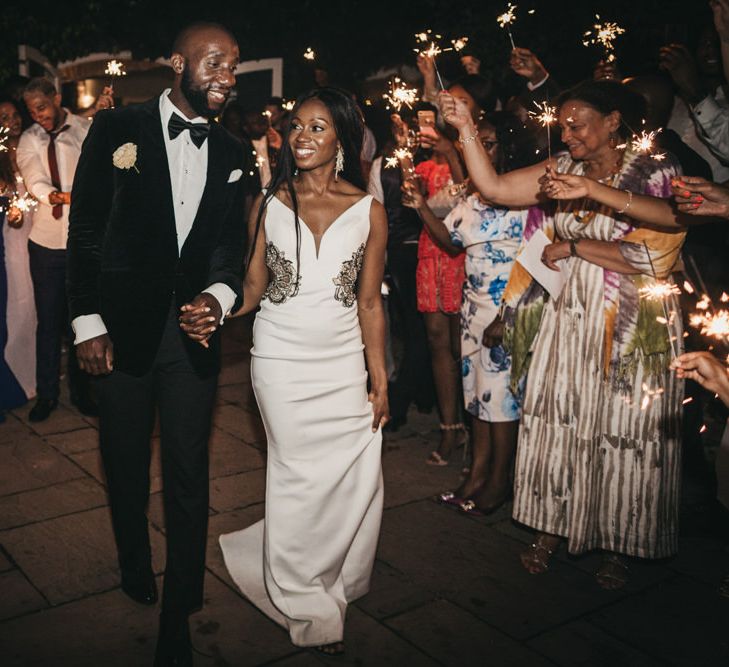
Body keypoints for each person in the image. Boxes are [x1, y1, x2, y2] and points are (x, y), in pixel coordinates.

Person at [440, 79, 687, 589]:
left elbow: (656, 254)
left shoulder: (653, 169)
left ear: (613, 120)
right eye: (563, 125)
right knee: (558, 416)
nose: (567, 134)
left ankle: (620, 542)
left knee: (623, 429)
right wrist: (463, 127)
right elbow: (496, 189)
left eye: (578, 124)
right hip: (567, 311)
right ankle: (554, 525)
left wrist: (576, 249)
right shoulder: (563, 170)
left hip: (630, 319)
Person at [66, 23, 246, 666]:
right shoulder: (117, 130)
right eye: (214, 62)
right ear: (178, 63)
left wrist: (220, 299)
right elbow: (84, 228)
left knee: (190, 472)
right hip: (119, 332)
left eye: (235, 65)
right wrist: (87, 321)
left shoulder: (232, 150)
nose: (227, 74)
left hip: (191, 339)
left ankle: (181, 606)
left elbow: (230, 247)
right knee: (123, 464)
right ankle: (134, 563)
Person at [195, 86, 388, 656]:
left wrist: (379, 378)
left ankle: (335, 570)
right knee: (298, 474)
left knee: (356, 473)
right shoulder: (269, 202)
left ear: (342, 141)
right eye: (297, 125)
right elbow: (254, 286)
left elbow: (370, 301)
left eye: (318, 128)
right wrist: (217, 307)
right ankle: (303, 598)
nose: (302, 136)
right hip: (280, 358)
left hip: (341, 359)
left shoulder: (369, 210)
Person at [403, 112, 537, 512]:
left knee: (502, 402)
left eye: (490, 143)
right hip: (472, 309)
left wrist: (507, 314)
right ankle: (476, 474)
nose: (481, 150)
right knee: (477, 397)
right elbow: (451, 242)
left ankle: (499, 482)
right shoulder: (472, 197)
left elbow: (532, 262)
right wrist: (421, 207)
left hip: (506, 309)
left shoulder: (523, 199)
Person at [16, 78, 104, 421]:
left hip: (83, 242)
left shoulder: (85, 129)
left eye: (42, 107)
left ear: (56, 98)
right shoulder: (28, 140)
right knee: (48, 322)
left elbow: (98, 173)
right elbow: (35, 180)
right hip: (47, 244)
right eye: (31, 111)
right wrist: (66, 196)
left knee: (82, 321)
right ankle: (47, 395)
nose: (38, 116)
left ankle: (84, 394)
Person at [0, 96, 36, 421]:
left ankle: (29, 379)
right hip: (7, 245)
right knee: (10, 311)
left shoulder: (30, 146)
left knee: (28, 313)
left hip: (31, 241)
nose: (12, 121)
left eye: (15, 115)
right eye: (4, 116)